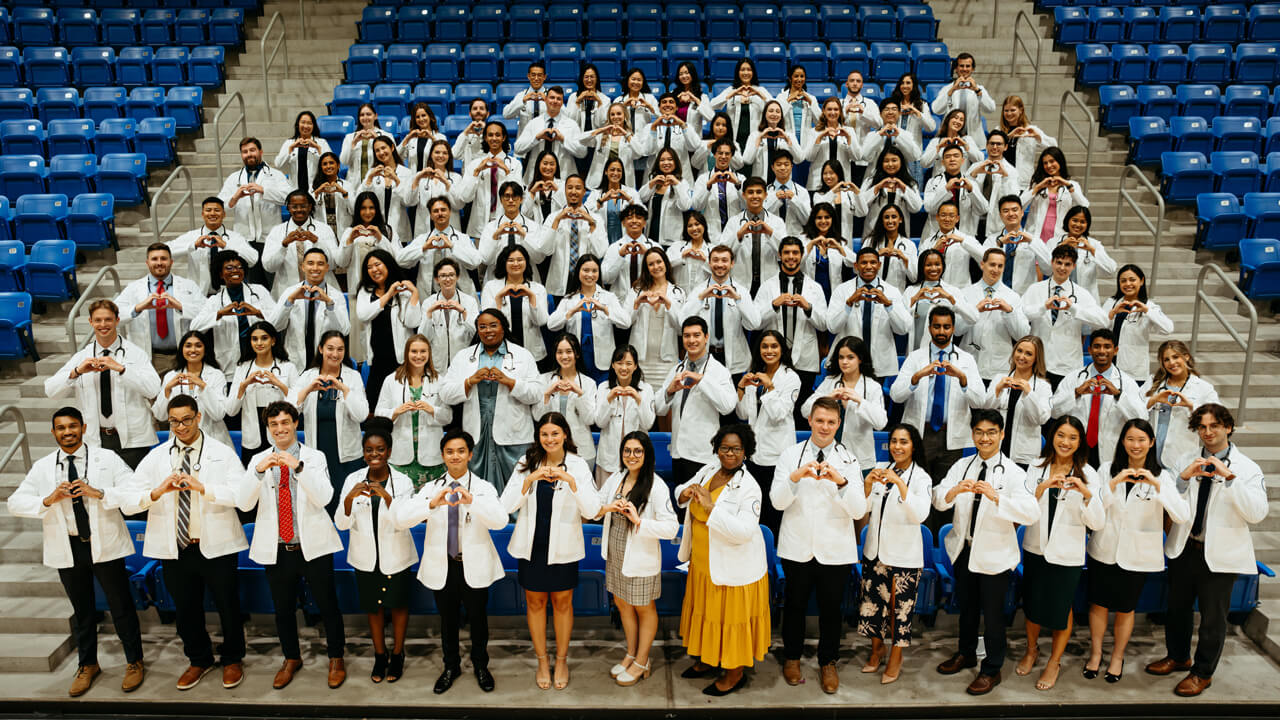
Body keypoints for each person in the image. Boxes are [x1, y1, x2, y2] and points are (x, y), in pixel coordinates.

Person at [7, 407, 145, 697]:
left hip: (103, 544)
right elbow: (15, 502)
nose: (67, 432)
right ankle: (88, 664)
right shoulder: (44, 466)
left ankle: (134, 661)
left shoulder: (106, 459)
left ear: (83, 427)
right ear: (53, 432)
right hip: (68, 546)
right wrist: (48, 499)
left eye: (72, 426)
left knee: (120, 607)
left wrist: (100, 493)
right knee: (82, 610)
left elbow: (134, 489)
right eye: (61, 428)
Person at [124, 395, 246, 690]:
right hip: (176, 547)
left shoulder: (221, 452)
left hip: (216, 545)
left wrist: (204, 487)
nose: (180, 426)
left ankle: (232, 659)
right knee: (185, 610)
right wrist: (157, 491)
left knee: (228, 606)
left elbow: (242, 495)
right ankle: (199, 659)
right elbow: (128, 500)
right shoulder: (156, 456)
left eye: (186, 420)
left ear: (198, 417)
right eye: (174, 421)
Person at [1153, 403, 1269, 697]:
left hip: (1220, 555)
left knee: (1212, 618)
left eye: (1214, 426)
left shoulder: (1248, 469)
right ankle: (1179, 656)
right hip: (1185, 547)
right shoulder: (1185, 459)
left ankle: (1202, 673)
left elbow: (1257, 513)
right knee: (1176, 610)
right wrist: (1183, 478)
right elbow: (1168, 499)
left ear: (1228, 427)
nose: (1207, 432)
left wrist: (1230, 478)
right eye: (1202, 427)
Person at [239, 401, 346, 690]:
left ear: (296, 424)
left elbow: (325, 497)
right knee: (283, 609)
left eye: (285, 422)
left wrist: (297, 466)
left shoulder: (314, 457)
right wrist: (259, 471)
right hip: (278, 548)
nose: (280, 429)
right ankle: (291, 658)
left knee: (327, 606)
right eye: (274, 424)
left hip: (313, 546)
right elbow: (243, 502)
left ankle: (336, 657)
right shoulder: (259, 460)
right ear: (268, 428)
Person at [933, 410, 1038, 695]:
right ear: (972, 435)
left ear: (1002, 435)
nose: (985, 438)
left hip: (995, 556)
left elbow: (1031, 513)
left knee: (993, 616)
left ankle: (991, 669)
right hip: (964, 550)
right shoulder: (962, 465)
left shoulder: (1015, 473)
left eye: (991, 432)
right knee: (966, 610)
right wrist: (954, 491)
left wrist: (996, 497)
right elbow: (939, 499)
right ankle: (965, 653)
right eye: (979, 432)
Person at [393, 429, 505, 693]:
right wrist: (431, 504)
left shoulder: (482, 487)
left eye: (461, 451)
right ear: (443, 455)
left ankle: (480, 665)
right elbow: (401, 520)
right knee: (447, 620)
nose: (455, 456)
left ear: (470, 454)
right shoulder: (431, 488)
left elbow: (499, 521)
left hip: (473, 564)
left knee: (478, 619)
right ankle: (450, 666)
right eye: (450, 451)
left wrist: (472, 502)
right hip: (443, 564)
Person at [501, 412, 602, 691]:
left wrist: (571, 481)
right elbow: (506, 506)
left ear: (565, 435)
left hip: (563, 548)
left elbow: (593, 510)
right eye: (544, 434)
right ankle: (542, 661)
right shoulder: (526, 462)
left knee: (562, 604)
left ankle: (561, 659)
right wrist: (529, 479)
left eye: (555, 434)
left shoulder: (579, 465)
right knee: (534, 604)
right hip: (532, 547)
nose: (550, 439)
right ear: (538, 437)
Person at [772, 397, 865, 693]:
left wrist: (841, 483)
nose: (825, 427)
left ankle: (828, 661)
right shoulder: (790, 455)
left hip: (835, 548)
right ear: (809, 421)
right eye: (820, 420)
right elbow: (777, 501)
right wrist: (796, 478)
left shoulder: (849, 460)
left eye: (831, 422)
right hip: (797, 544)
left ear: (839, 425)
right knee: (795, 605)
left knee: (831, 610)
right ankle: (792, 657)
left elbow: (859, 511)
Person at [1086, 419, 1189, 683]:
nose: (1136, 445)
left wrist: (1157, 487)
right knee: (1098, 605)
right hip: (1105, 548)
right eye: (1130, 439)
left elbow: (1180, 515)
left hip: (1137, 555)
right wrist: (1113, 483)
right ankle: (1096, 654)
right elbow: (1094, 508)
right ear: (1122, 441)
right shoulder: (1108, 469)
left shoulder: (1163, 476)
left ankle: (1117, 657)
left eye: (1142, 440)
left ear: (1152, 443)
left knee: (1125, 608)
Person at [675, 424, 770, 696]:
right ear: (717, 449)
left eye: (736, 449)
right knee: (707, 614)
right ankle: (708, 658)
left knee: (730, 621)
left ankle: (734, 673)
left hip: (733, 568)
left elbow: (744, 531)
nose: (730, 453)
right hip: (703, 564)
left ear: (746, 452)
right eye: (725, 448)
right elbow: (684, 489)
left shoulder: (749, 488)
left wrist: (710, 508)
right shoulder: (708, 470)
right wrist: (684, 493)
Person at [1016, 416, 1105, 691]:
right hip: (1035, 549)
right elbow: (1022, 511)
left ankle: (1054, 661)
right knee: (1032, 604)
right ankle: (1032, 650)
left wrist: (1087, 494)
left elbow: (1098, 523)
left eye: (1072, 437)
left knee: (1060, 607)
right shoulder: (1034, 467)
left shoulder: (1090, 474)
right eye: (1061, 436)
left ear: (1080, 442)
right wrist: (1041, 489)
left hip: (1067, 553)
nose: (1065, 442)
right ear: (1052, 436)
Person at [334, 417, 417, 683]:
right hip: (365, 557)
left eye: (380, 449)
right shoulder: (352, 479)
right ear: (363, 452)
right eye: (369, 450)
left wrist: (388, 498)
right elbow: (341, 523)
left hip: (397, 555)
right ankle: (380, 656)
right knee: (374, 608)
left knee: (399, 606)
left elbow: (405, 520)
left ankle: (398, 653)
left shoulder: (403, 482)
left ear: (389, 452)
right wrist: (349, 499)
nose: (374, 454)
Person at [597, 431, 679, 687]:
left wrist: (639, 521)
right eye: (627, 451)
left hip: (640, 555)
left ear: (647, 454)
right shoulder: (616, 479)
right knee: (622, 605)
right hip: (615, 552)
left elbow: (671, 528)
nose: (631, 456)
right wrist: (609, 507)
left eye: (637, 451)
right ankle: (631, 653)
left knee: (644, 609)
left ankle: (643, 660)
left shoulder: (656, 485)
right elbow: (596, 508)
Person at [45, 300, 162, 469]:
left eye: (108, 319)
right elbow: (51, 391)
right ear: (91, 322)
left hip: (133, 442)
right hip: (96, 440)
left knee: (133, 490)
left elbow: (153, 389)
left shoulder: (135, 354)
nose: (103, 325)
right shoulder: (82, 357)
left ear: (117, 320)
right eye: (98, 320)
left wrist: (121, 369)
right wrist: (76, 372)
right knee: (102, 491)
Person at [858, 423, 932, 685]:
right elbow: (862, 509)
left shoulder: (921, 477)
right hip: (875, 552)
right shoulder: (881, 469)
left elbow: (920, 515)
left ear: (914, 446)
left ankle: (895, 656)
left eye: (904, 442)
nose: (897, 447)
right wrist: (867, 486)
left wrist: (901, 484)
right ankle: (876, 649)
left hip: (905, 556)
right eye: (894, 441)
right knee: (873, 607)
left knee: (899, 611)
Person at [439, 310, 541, 493]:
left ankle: (515, 522)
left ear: (503, 327)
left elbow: (536, 394)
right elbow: (445, 394)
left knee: (517, 487)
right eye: (482, 327)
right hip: (477, 432)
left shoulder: (522, 355)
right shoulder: (464, 356)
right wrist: (469, 381)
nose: (488, 330)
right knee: (476, 488)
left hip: (514, 433)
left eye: (493, 325)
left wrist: (510, 382)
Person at [891, 306, 984, 489]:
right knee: (916, 489)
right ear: (929, 328)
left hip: (951, 435)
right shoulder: (915, 358)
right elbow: (896, 396)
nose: (941, 331)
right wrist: (916, 377)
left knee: (945, 490)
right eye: (937, 326)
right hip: (920, 434)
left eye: (946, 327)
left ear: (953, 328)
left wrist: (963, 379)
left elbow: (980, 401)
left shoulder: (966, 360)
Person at [292, 331, 370, 514]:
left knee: (346, 509)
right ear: (320, 349)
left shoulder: (353, 377)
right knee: (320, 508)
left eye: (340, 349)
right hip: (317, 454)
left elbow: (362, 415)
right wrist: (308, 389)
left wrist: (343, 388)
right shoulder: (307, 376)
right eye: (330, 349)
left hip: (346, 458)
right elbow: (290, 409)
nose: (335, 354)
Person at [656, 317, 738, 486]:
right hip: (678, 453)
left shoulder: (718, 371)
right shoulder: (677, 369)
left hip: (702, 454)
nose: (691, 340)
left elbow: (728, 406)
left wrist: (702, 380)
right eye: (687, 336)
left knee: (700, 509)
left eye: (696, 335)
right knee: (681, 508)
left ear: (706, 337)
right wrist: (670, 390)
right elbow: (658, 408)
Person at [1050, 328, 1145, 469]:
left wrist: (1118, 394)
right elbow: (1053, 412)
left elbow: (1141, 417)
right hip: (1077, 446)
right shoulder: (1073, 378)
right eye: (1097, 346)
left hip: (1110, 448)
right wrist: (1076, 393)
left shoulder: (1127, 382)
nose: (1102, 351)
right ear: (1089, 349)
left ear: (1116, 350)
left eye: (1107, 347)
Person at [736, 331, 802, 534]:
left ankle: (774, 556)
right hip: (755, 454)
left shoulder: (791, 378)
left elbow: (779, 414)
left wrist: (770, 387)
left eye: (774, 346)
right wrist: (741, 386)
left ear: (782, 349)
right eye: (765, 346)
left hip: (777, 454)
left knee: (775, 511)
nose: (769, 351)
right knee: (756, 509)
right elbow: (744, 413)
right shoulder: (755, 372)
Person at [1022, 245, 1108, 386]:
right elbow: (1021, 315)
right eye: (1059, 262)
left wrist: (1074, 308)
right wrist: (1043, 307)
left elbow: (1103, 321)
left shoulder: (1081, 294)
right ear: (1052, 262)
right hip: (1037, 362)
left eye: (1067, 264)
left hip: (1066, 364)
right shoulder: (1035, 289)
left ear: (1073, 266)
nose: (1062, 268)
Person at [376, 334, 452, 490]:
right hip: (401, 455)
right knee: (402, 502)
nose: (418, 356)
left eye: (423, 351)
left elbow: (448, 417)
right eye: (414, 351)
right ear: (406, 353)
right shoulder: (392, 380)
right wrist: (396, 412)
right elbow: (378, 414)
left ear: (429, 353)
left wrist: (432, 410)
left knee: (431, 503)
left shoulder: (439, 380)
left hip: (431, 455)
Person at [802, 337, 888, 474]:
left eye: (850, 357)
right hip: (828, 458)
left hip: (860, 458)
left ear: (860, 359)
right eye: (841, 357)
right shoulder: (829, 382)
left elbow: (880, 423)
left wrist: (860, 401)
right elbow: (805, 411)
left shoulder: (873, 387)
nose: (844, 362)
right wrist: (827, 398)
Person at [753, 236, 828, 390]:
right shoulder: (767, 286)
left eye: (795, 252)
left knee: (800, 409)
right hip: (773, 359)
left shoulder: (815, 288)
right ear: (780, 255)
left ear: (801, 255)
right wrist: (773, 305)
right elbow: (755, 323)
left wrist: (808, 308)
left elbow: (823, 325)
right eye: (787, 253)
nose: (791, 257)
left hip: (805, 360)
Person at [116, 243, 205, 371]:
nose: (159, 263)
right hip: (150, 356)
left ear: (171, 261)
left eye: (163, 258)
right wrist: (138, 308)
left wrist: (180, 307)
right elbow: (113, 315)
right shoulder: (133, 288)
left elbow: (206, 312)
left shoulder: (188, 286)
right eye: (154, 259)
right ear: (147, 263)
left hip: (184, 355)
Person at [827, 248, 911, 380]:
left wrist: (888, 305)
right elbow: (832, 327)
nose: (868, 266)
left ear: (879, 265)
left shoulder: (892, 291)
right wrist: (848, 303)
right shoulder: (842, 290)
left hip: (879, 363)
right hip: (848, 362)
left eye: (873, 262)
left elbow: (903, 329)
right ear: (856, 266)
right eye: (864, 263)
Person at [548, 254, 631, 382]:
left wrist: (604, 309)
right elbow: (551, 325)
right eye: (585, 270)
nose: (590, 275)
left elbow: (626, 323)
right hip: (577, 358)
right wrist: (572, 310)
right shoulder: (569, 299)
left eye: (594, 271)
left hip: (603, 360)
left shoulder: (608, 297)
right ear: (578, 272)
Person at [680, 244, 761, 374]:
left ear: (732, 263)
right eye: (715, 260)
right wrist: (700, 299)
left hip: (734, 359)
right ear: (710, 263)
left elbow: (754, 324)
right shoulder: (699, 291)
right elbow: (682, 322)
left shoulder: (741, 291)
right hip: (705, 355)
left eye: (724, 260)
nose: (720, 264)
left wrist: (738, 299)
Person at [356, 249, 423, 403]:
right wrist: (388, 295)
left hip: (401, 360)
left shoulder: (404, 291)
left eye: (377, 264)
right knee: (375, 406)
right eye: (369, 267)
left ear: (388, 265)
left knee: (402, 402)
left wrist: (414, 295)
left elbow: (412, 322)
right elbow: (363, 315)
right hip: (377, 360)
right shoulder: (366, 292)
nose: (374, 269)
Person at [192, 252, 276, 372]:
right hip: (229, 364)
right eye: (229, 268)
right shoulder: (214, 301)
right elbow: (195, 326)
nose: (235, 271)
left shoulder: (259, 291)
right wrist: (220, 313)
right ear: (221, 274)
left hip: (261, 359)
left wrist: (258, 312)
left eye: (239, 267)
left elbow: (278, 321)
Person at [218, 137, 292, 274]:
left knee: (272, 282)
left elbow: (289, 198)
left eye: (252, 150)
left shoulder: (275, 175)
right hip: (245, 239)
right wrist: (235, 197)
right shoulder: (234, 178)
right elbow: (220, 206)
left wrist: (264, 190)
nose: (249, 154)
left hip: (270, 238)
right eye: (245, 152)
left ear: (260, 152)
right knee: (251, 283)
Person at [227, 321, 297, 463]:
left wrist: (278, 383)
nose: (259, 342)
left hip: (280, 432)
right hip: (252, 438)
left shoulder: (288, 367)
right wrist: (244, 385)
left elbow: (298, 407)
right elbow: (231, 410)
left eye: (264, 338)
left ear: (273, 340)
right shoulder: (242, 368)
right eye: (255, 339)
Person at [270, 248, 350, 369]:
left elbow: (344, 330)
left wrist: (329, 304)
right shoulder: (290, 292)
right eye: (310, 263)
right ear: (303, 267)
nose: (315, 268)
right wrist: (290, 301)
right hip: (295, 362)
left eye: (320, 264)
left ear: (327, 268)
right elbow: (274, 326)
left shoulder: (335, 296)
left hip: (324, 362)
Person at [980, 336, 1053, 469]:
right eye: (1019, 351)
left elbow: (1040, 419)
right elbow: (985, 412)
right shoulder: (999, 379)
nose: (1022, 356)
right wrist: (997, 390)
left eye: (1028, 354)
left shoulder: (1043, 387)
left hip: (1024, 457)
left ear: (1037, 358)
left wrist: (1029, 393)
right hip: (996, 450)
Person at [958, 248, 1030, 380]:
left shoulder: (1013, 297)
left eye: (1000, 266)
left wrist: (1009, 311)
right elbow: (956, 330)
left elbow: (1022, 335)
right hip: (970, 363)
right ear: (982, 264)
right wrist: (974, 311)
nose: (995, 270)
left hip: (999, 367)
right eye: (992, 264)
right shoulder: (965, 293)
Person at [1147, 340, 1220, 470]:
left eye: (1176, 357)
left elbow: (1217, 417)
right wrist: (1154, 400)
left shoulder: (1203, 388)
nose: (1172, 363)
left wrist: (1192, 406)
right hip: (1149, 454)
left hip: (1180, 457)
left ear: (1186, 356)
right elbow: (1135, 410)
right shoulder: (1153, 382)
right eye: (1166, 359)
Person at [151, 330, 231, 447]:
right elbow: (160, 416)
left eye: (198, 346)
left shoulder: (216, 375)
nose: (193, 350)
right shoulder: (171, 376)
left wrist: (203, 386)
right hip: (180, 440)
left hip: (212, 440)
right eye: (188, 346)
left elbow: (218, 414)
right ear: (182, 350)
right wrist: (167, 390)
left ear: (205, 349)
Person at [168, 196, 259, 295]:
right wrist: (193, 246)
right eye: (208, 210)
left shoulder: (234, 237)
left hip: (229, 294)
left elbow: (253, 259)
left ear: (224, 214)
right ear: (203, 214)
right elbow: (166, 252)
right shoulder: (192, 236)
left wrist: (226, 246)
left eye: (217, 210)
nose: (212, 213)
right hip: (199, 295)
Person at [594, 346, 657, 487]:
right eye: (619, 363)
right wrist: (608, 400)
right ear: (613, 365)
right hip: (608, 459)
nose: (624, 368)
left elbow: (648, 424)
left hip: (636, 458)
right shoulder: (603, 388)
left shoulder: (646, 389)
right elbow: (599, 422)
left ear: (635, 366)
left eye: (628, 363)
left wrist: (638, 399)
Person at [1104, 264, 1173, 384]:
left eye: (1132, 280)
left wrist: (1147, 311)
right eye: (1123, 281)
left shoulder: (1150, 306)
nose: (1128, 284)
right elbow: (1098, 328)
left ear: (1141, 281)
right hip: (1110, 362)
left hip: (1134, 368)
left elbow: (1168, 329)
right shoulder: (1112, 302)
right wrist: (1112, 313)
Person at [626, 246, 686, 386]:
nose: (656, 267)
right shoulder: (636, 290)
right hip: (640, 359)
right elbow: (626, 322)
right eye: (651, 264)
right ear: (646, 268)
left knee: (664, 401)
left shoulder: (678, 293)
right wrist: (636, 304)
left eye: (659, 262)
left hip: (666, 360)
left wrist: (669, 305)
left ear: (666, 263)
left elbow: (681, 328)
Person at [401, 196, 483, 297]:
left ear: (450, 212)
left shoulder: (462, 238)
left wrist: (452, 246)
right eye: (435, 211)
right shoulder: (423, 239)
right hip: (429, 295)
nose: (440, 213)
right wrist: (423, 248)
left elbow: (476, 262)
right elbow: (401, 260)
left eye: (443, 210)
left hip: (459, 294)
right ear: (430, 215)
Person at [538, 334, 599, 468]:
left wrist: (579, 393)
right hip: (550, 449)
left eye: (569, 351)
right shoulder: (544, 380)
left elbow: (590, 419)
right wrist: (547, 394)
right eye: (560, 352)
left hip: (582, 450)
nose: (564, 356)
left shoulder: (589, 384)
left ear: (577, 354)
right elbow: (538, 417)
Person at [481, 244, 549, 364]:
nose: (516, 264)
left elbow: (542, 321)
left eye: (520, 260)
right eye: (511, 260)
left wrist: (532, 297)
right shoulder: (491, 287)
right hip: (501, 351)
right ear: (504, 263)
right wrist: (499, 298)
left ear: (526, 262)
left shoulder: (538, 288)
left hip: (533, 351)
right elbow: (487, 323)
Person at [543, 175, 608, 298]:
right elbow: (545, 250)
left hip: (588, 279)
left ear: (584, 192)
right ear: (564, 191)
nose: (573, 191)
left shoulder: (596, 219)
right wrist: (557, 221)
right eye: (570, 188)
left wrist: (592, 224)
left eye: (578, 188)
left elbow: (600, 253)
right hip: (561, 280)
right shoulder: (553, 217)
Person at [719, 177, 785, 296]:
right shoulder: (734, 222)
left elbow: (784, 254)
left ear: (765, 195)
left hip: (768, 280)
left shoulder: (777, 222)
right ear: (743, 195)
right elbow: (722, 254)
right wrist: (739, 235)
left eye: (759, 192)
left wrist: (770, 233)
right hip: (741, 281)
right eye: (750, 192)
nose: (755, 196)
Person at [904, 249, 978, 351]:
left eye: (937, 264)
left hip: (943, 355)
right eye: (928, 265)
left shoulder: (952, 291)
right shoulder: (911, 291)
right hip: (916, 354)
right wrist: (913, 300)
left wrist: (951, 298)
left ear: (943, 266)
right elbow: (901, 324)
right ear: (921, 267)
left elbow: (973, 318)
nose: (933, 268)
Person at [461, 122, 524, 239]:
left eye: (497, 135)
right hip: (479, 225)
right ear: (485, 138)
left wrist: (506, 170)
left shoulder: (514, 164)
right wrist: (476, 172)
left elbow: (518, 195)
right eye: (490, 135)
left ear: (503, 137)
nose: (494, 138)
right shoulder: (475, 164)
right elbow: (465, 197)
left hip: (506, 222)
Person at [478, 184, 550, 287]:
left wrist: (525, 236)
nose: (511, 200)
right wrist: (495, 237)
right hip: (497, 281)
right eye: (507, 196)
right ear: (501, 200)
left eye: (515, 196)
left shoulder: (533, 226)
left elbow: (539, 258)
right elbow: (485, 259)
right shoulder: (491, 227)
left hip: (527, 279)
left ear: (521, 199)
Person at [418, 258, 479, 377]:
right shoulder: (428, 302)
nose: (447, 279)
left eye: (451, 275)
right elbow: (423, 338)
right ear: (437, 279)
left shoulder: (469, 301)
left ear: (457, 277)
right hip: (437, 363)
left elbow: (476, 334)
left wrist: (463, 311)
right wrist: (430, 313)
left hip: (463, 361)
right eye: (443, 276)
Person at [335, 192, 398, 300]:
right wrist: (350, 240)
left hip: (384, 290)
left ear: (377, 209)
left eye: (371, 208)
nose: (367, 212)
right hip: (357, 290)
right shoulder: (349, 232)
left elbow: (395, 260)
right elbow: (341, 262)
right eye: (363, 208)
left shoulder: (387, 231)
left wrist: (380, 238)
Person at [1022, 147, 1089, 245]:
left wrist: (1068, 185)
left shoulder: (1072, 185)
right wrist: (1037, 188)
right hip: (1036, 232)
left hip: (1059, 234)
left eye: (1052, 161)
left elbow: (1084, 205)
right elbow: (1020, 205)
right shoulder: (1037, 184)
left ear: (1060, 161)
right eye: (1045, 163)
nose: (1049, 166)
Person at [983, 195, 1048, 295]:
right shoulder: (992, 240)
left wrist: (1032, 241)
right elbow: (984, 266)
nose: (1011, 214)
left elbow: (1048, 269)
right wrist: (999, 243)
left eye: (1014, 210)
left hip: (1024, 296)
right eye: (1005, 211)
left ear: (1022, 213)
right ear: (1000, 215)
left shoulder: (1034, 239)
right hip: (997, 294)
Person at [356, 136, 415, 244]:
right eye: (377, 150)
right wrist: (369, 179)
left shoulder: (406, 173)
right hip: (376, 228)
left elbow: (409, 201)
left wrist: (396, 180)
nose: (381, 152)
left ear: (392, 148)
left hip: (398, 227)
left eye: (383, 148)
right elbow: (360, 199)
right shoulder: (372, 172)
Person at [924, 147, 989, 241]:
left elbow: (983, 210)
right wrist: (946, 189)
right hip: (937, 235)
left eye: (956, 156)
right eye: (948, 156)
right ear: (942, 162)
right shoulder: (933, 182)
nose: (952, 159)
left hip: (963, 236)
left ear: (962, 160)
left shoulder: (971, 183)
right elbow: (929, 208)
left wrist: (971, 190)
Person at [860, 147, 923, 240]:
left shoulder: (910, 183)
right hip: (873, 234)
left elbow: (916, 208)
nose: (890, 164)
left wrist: (904, 188)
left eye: (894, 160)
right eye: (886, 161)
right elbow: (860, 207)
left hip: (900, 235)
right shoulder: (870, 181)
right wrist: (877, 187)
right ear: (881, 163)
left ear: (901, 162)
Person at [1054, 206, 1115, 301]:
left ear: (1087, 225)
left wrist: (1092, 250)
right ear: (1067, 220)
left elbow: (1111, 270)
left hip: (1086, 298)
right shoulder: (1054, 242)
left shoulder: (1094, 244)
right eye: (1074, 220)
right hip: (1060, 295)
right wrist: (1060, 247)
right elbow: (1046, 268)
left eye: (1082, 222)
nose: (1078, 225)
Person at [712, 59, 771, 157]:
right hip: (734, 138)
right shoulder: (731, 90)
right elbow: (712, 105)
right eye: (742, 70)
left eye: (749, 70)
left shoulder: (760, 90)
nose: (746, 73)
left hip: (754, 138)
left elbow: (776, 108)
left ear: (753, 72)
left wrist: (760, 95)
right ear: (738, 72)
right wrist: (732, 94)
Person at [920, 199, 985, 288]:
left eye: (951, 216)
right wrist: (934, 250)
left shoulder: (966, 239)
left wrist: (963, 241)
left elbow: (984, 257)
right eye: (943, 215)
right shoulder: (928, 242)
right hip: (933, 290)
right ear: (937, 217)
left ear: (957, 218)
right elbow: (919, 268)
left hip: (960, 291)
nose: (947, 219)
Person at [404, 140, 465, 235]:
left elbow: (459, 205)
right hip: (425, 228)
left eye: (445, 153)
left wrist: (445, 181)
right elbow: (409, 201)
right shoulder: (420, 177)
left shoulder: (456, 178)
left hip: (450, 227)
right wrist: (417, 179)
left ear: (449, 157)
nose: (441, 155)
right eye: (437, 152)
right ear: (431, 155)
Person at [888, 73, 937, 187]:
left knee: (914, 188)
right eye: (902, 83)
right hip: (895, 152)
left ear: (914, 85)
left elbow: (931, 128)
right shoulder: (892, 104)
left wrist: (916, 112)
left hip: (913, 154)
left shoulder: (921, 104)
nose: (905, 86)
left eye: (908, 83)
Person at [970, 131, 1021, 240]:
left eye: (999, 144)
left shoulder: (1011, 171)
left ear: (1006, 147)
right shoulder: (974, 167)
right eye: (992, 143)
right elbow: (965, 194)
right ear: (986, 145)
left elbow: (1013, 198)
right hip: (973, 222)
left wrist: (1005, 177)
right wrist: (973, 175)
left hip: (995, 225)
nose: (995, 147)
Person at [930, 53, 996, 138]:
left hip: (974, 139)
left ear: (973, 69)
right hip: (951, 138)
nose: (964, 69)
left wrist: (977, 91)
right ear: (956, 69)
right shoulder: (947, 89)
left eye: (968, 66)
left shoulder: (979, 89)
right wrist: (952, 90)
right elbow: (936, 110)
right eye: (961, 66)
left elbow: (990, 109)